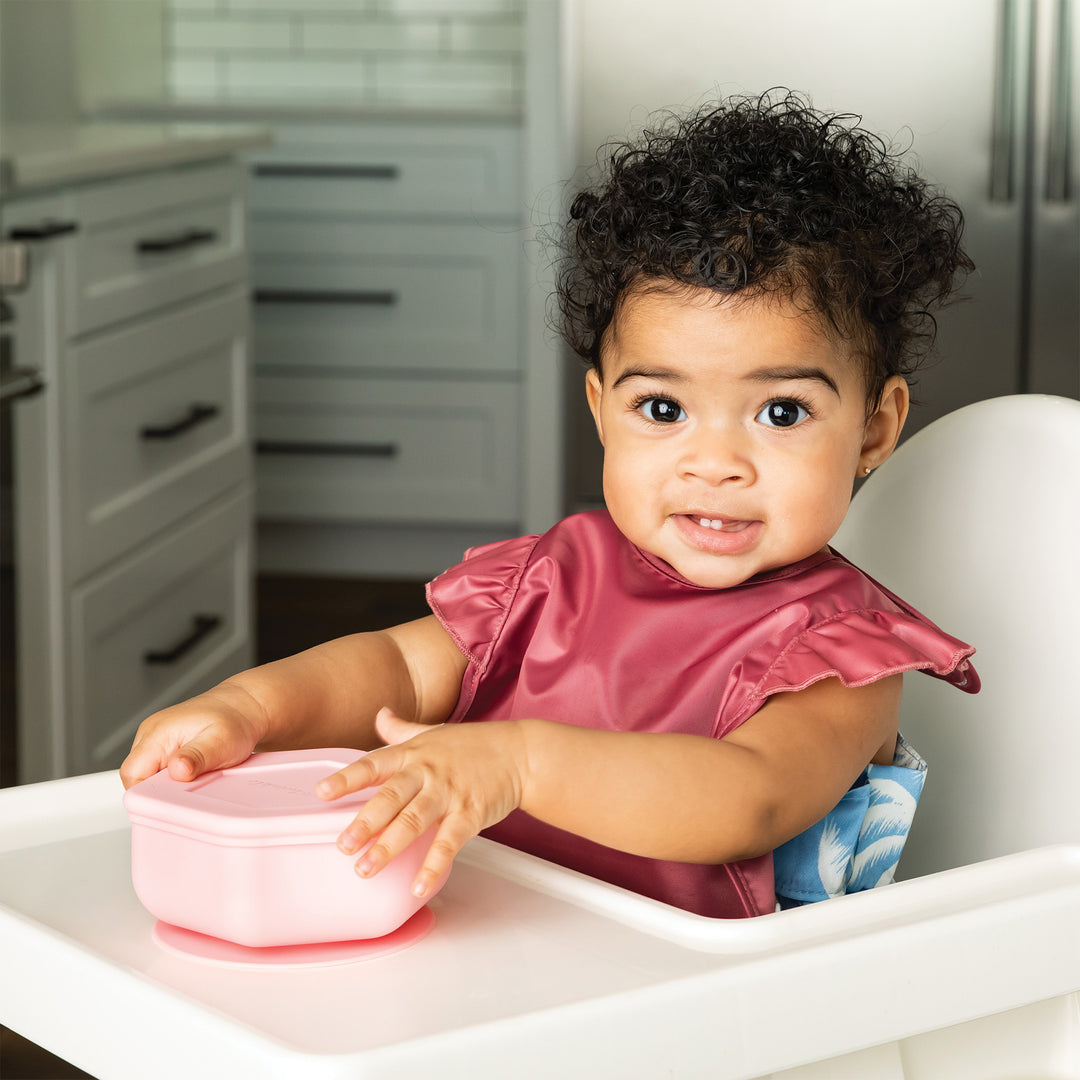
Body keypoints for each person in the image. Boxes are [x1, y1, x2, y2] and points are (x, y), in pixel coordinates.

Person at [121, 91, 979, 919]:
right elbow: (395, 668)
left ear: (874, 429)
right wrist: (249, 710)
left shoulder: (841, 655)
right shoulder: (548, 579)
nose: (714, 464)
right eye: (664, 409)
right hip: (507, 962)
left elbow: (746, 800)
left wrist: (520, 764)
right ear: (603, 409)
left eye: (781, 412)